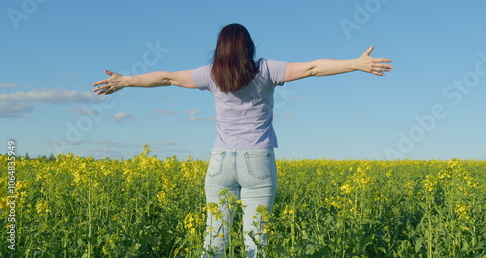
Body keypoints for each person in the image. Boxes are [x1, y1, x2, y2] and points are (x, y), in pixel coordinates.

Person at [92, 23, 393, 257]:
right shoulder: (266, 69)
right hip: (257, 160)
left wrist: (126, 80)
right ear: (248, 46)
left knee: (214, 239)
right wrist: (355, 63)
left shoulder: (211, 74)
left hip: (220, 161)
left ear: (219, 49)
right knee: (256, 241)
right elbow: (314, 68)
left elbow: (168, 77)